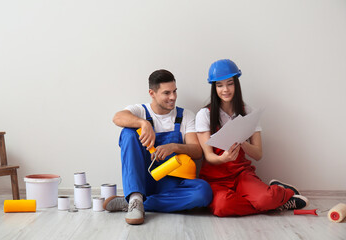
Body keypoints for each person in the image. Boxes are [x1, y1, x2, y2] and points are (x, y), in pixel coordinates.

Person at [195, 59, 309, 217]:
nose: (225, 89)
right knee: (223, 207)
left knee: (265, 199)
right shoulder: (204, 115)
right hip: (215, 179)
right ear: (214, 88)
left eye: (230, 83)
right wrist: (224, 158)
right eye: (219, 85)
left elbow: (258, 154)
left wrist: (242, 143)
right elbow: (208, 156)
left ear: (237, 84)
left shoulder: (248, 111)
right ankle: (277, 204)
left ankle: (282, 193)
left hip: (242, 174)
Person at [105, 69, 213, 225]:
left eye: (175, 91)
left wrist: (174, 147)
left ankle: (135, 204)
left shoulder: (185, 116)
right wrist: (143, 123)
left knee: (203, 193)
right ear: (152, 93)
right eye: (167, 93)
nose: (173, 97)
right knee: (128, 132)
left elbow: (197, 151)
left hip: (171, 185)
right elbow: (117, 117)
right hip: (144, 180)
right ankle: (135, 196)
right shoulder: (140, 111)